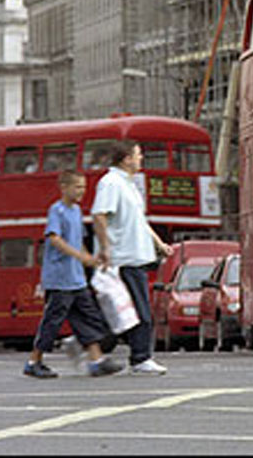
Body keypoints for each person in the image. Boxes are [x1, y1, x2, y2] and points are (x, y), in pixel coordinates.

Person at [23, 170, 123, 378]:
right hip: (59, 279)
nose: (82, 191)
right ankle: (34, 361)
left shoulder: (77, 211)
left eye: (84, 187)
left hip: (77, 279)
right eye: (77, 187)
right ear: (64, 187)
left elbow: (78, 242)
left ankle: (97, 361)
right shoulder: (57, 211)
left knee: (90, 317)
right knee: (52, 321)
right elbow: (55, 239)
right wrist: (80, 257)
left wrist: (92, 260)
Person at [91, 140, 174, 375]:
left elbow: (139, 221)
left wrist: (158, 244)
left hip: (135, 255)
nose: (141, 159)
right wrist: (106, 248)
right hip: (121, 258)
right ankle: (140, 357)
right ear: (126, 159)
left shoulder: (128, 184)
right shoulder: (110, 183)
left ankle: (84, 343)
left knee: (119, 312)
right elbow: (99, 216)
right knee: (139, 311)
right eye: (138, 155)